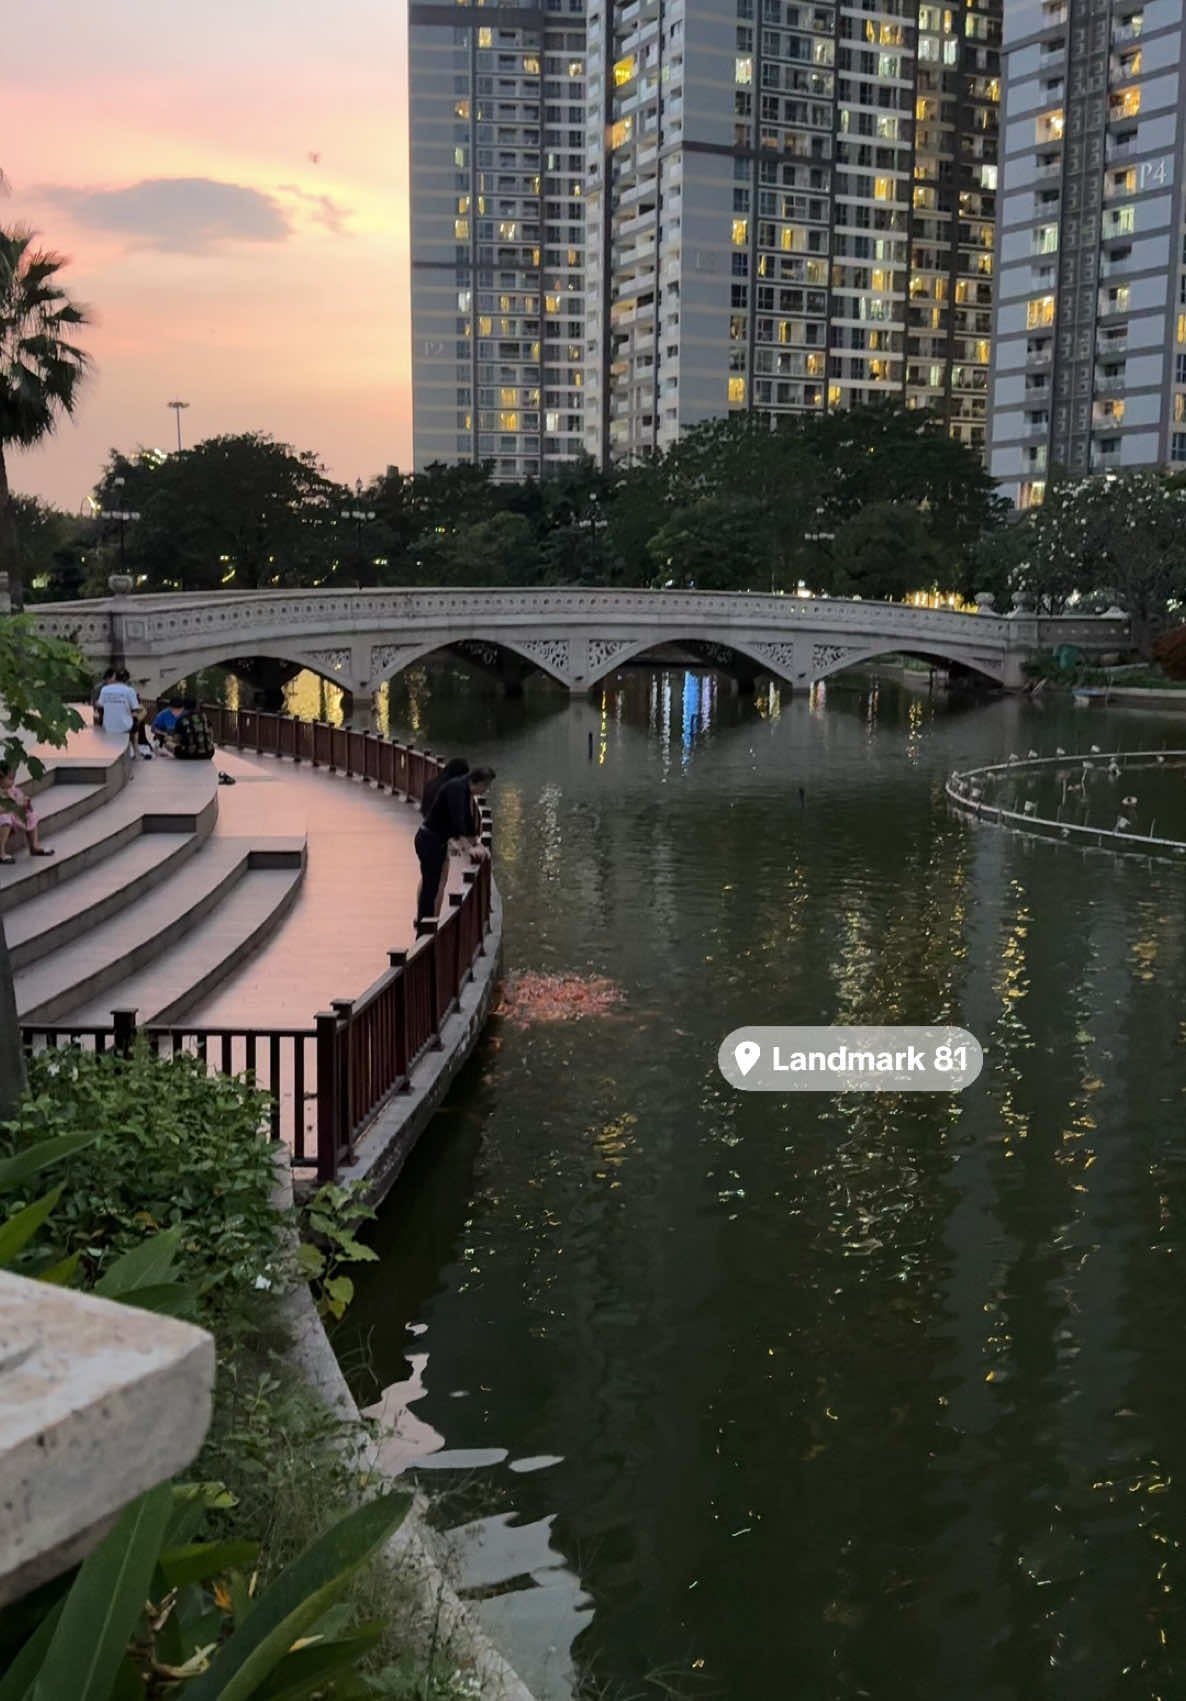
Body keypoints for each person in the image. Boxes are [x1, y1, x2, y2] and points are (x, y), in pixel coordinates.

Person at [414, 766, 494, 923]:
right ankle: (424, 931)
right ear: (479, 782)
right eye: (486, 786)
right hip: (429, 840)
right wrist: (469, 848)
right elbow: (457, 821)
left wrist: (477, 844)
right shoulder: (457, 789)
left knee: (434, 885)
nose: (485, 790)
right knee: (430, 888)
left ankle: (427, 926)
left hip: (436, 841)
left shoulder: (463, 788)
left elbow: (468, 822)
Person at [0, 768, 54, 863]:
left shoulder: (12, 789)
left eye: (13, 778)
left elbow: (20, 799)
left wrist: (26, 804)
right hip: (3, 816)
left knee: (30, 815)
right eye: (9, 779)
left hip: (13, 815)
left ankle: (34, 847)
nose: (12, 782)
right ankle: (1, 852)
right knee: (5, 819)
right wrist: (15, 805)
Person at [95, 669, 142, 763]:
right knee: (136, 722)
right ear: (127, 680)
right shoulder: (130, 690)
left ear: (115, 677)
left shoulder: (105, 689)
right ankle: (136, 752)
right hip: (125, 726)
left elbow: (99, 704)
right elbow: (136, 709)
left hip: (108, 726)